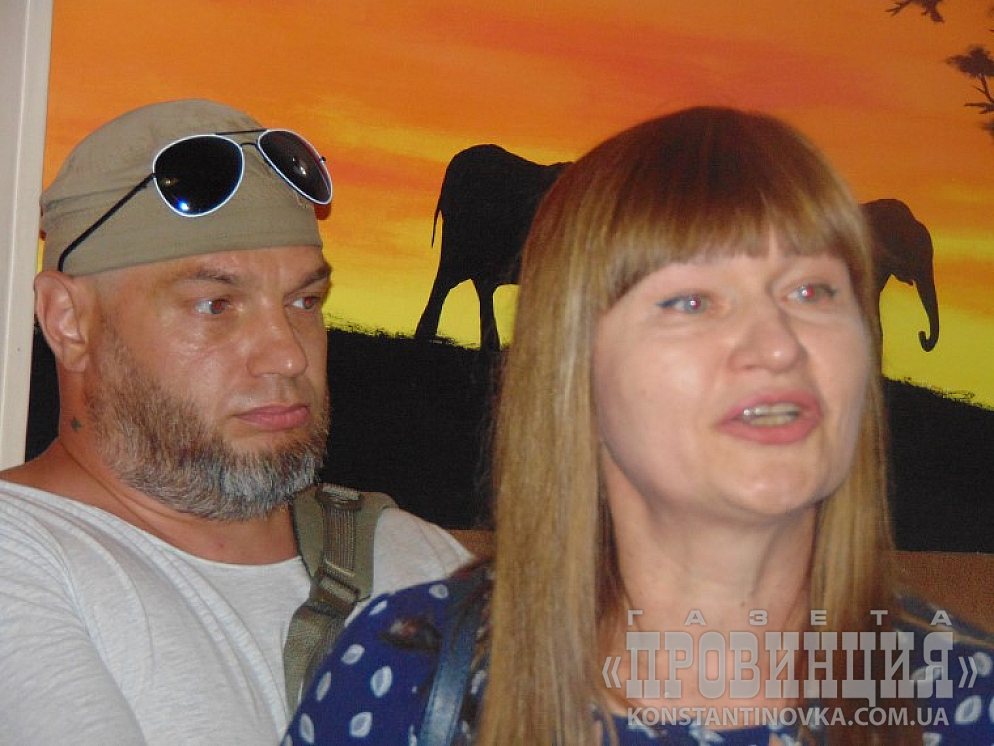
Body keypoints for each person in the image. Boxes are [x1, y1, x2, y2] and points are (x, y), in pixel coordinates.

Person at [285, 107, 994, 745]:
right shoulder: (400, 681)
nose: (778, 344)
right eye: (692, 301)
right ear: (574, 365)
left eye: (813, 291)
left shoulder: (968, 702)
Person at [0, 99, 470, 746]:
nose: (288, 355)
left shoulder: (422, 560)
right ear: (69, 322)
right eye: (216, 305)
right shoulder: (23, 560)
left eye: (305, 301)